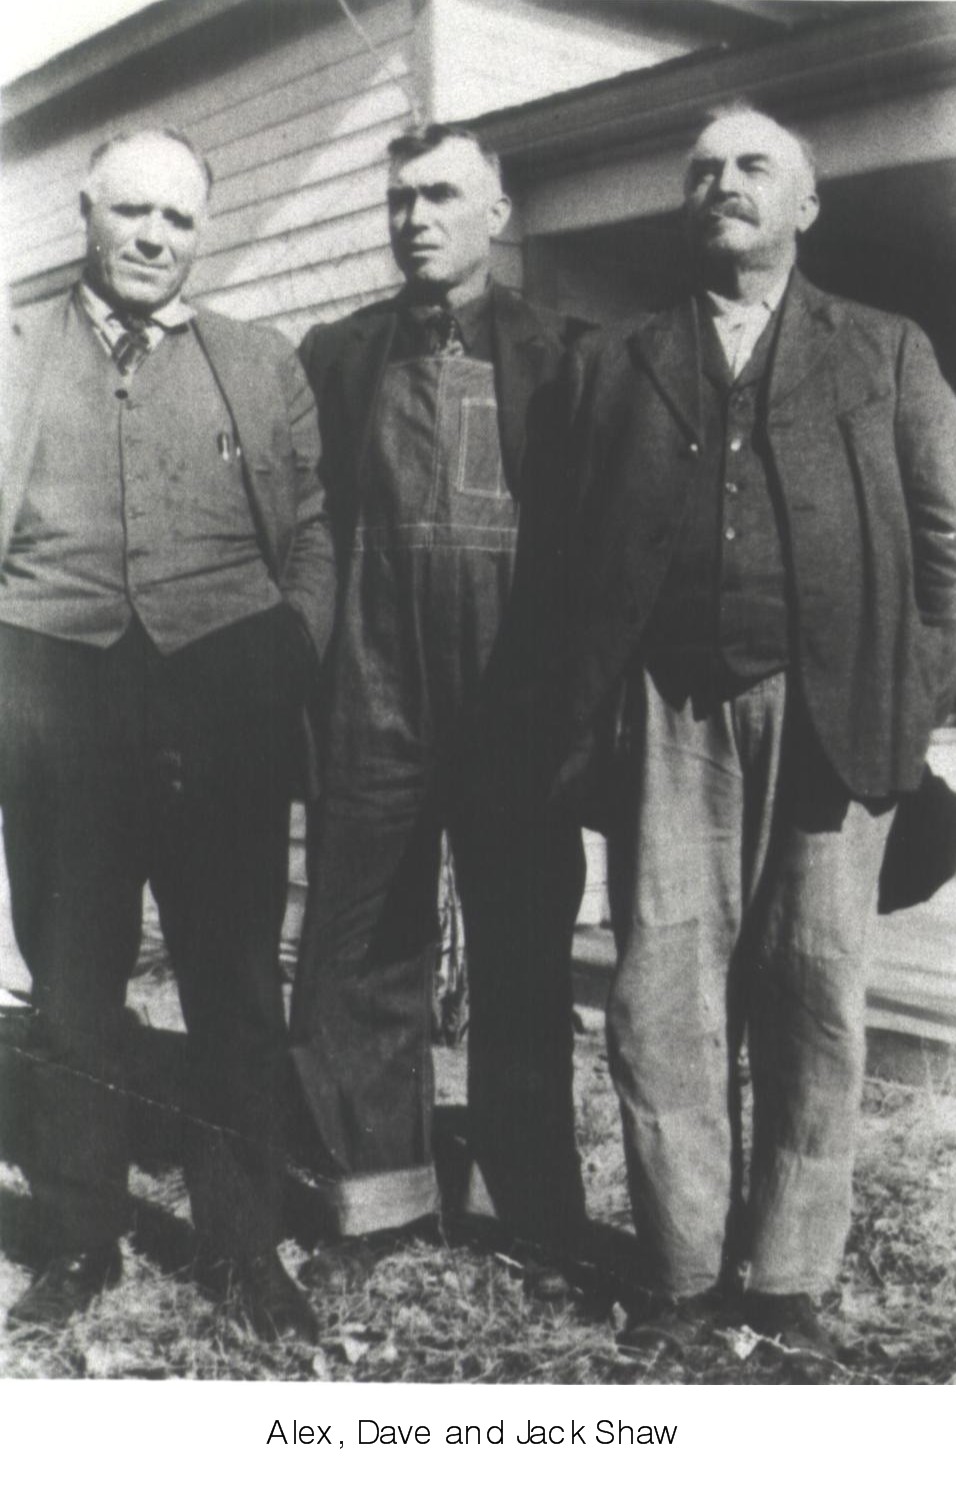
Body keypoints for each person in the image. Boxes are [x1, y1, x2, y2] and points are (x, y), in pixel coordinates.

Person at [557, 104, 956, 1354]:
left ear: (805, 205)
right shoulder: (618, 360)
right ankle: (678, 1272)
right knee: (660, 994)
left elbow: (948, 537)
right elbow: (563, 551)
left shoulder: (883, 351)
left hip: (833, 715)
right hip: (663, 709)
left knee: (813, 989)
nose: (721, 184)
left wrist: (914, 688)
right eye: (702, 171)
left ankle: (784, 1278)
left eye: (752, 167)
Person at [0, 128, 335, 1339]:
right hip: (54, 689)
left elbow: (310, 527)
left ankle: (245, 1245)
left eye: (178, 218)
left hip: (223, 688)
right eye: (132, 210)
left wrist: (288, 650)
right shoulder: (13, 349)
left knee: (234, 979)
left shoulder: (258, 360)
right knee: (74, 981)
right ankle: (78, 1238)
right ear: (86, 211)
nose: (153, 237)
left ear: (203, 230)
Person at [290, 124, 587, 1265]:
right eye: (400, 199)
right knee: (361, 947)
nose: (416, 218)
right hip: (372, 692)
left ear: (497, 214)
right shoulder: (336, 355)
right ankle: (377, 1197)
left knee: (523, 955)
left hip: (511, 704)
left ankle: (525, 1204)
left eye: (443, 196)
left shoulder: (566, 356)